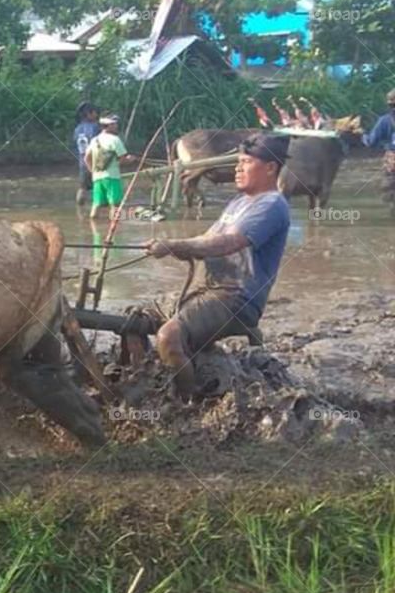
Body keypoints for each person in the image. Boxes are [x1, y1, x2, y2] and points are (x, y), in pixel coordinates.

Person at [143, 134, 292, 397]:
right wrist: (172, 245)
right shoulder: (238, 202)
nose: (237, 168)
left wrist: (176, 245)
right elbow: (206, 240)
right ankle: (143, 382)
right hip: (206, 290)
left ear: (270, 168)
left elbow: (228, 243)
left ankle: (186, 404)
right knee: (135, 319)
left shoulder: (272, 204)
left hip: (234, 297)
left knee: (168, 337)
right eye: (238, 162)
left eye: (246, 162)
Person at [87, 114, 135, 220]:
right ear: (109, 126)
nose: (116, 126)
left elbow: (87, 158)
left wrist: (92, 171)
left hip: (97, 177)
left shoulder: (94, 140)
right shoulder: (115, 140)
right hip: (112, 177)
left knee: (96, 204)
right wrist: (130, 160)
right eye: (114, 124)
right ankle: (115, 233)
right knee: (115, 205)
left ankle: (94, 230)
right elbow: (123, 159)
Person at [362, 89, 395, 203]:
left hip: (392, 163)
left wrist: (362, 135)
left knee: (389, 195)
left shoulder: (384, 120)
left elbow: (371, 142)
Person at [71, 102, 101, 206]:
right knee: (99, 186)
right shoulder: (95, 127)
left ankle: (79, 210)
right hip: (95, 161)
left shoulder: (77, 129)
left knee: (82, 188)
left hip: (82, 162)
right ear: (89, 114)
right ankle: (99, 212)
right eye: (95, 113)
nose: (96, 115)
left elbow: (75, 145)